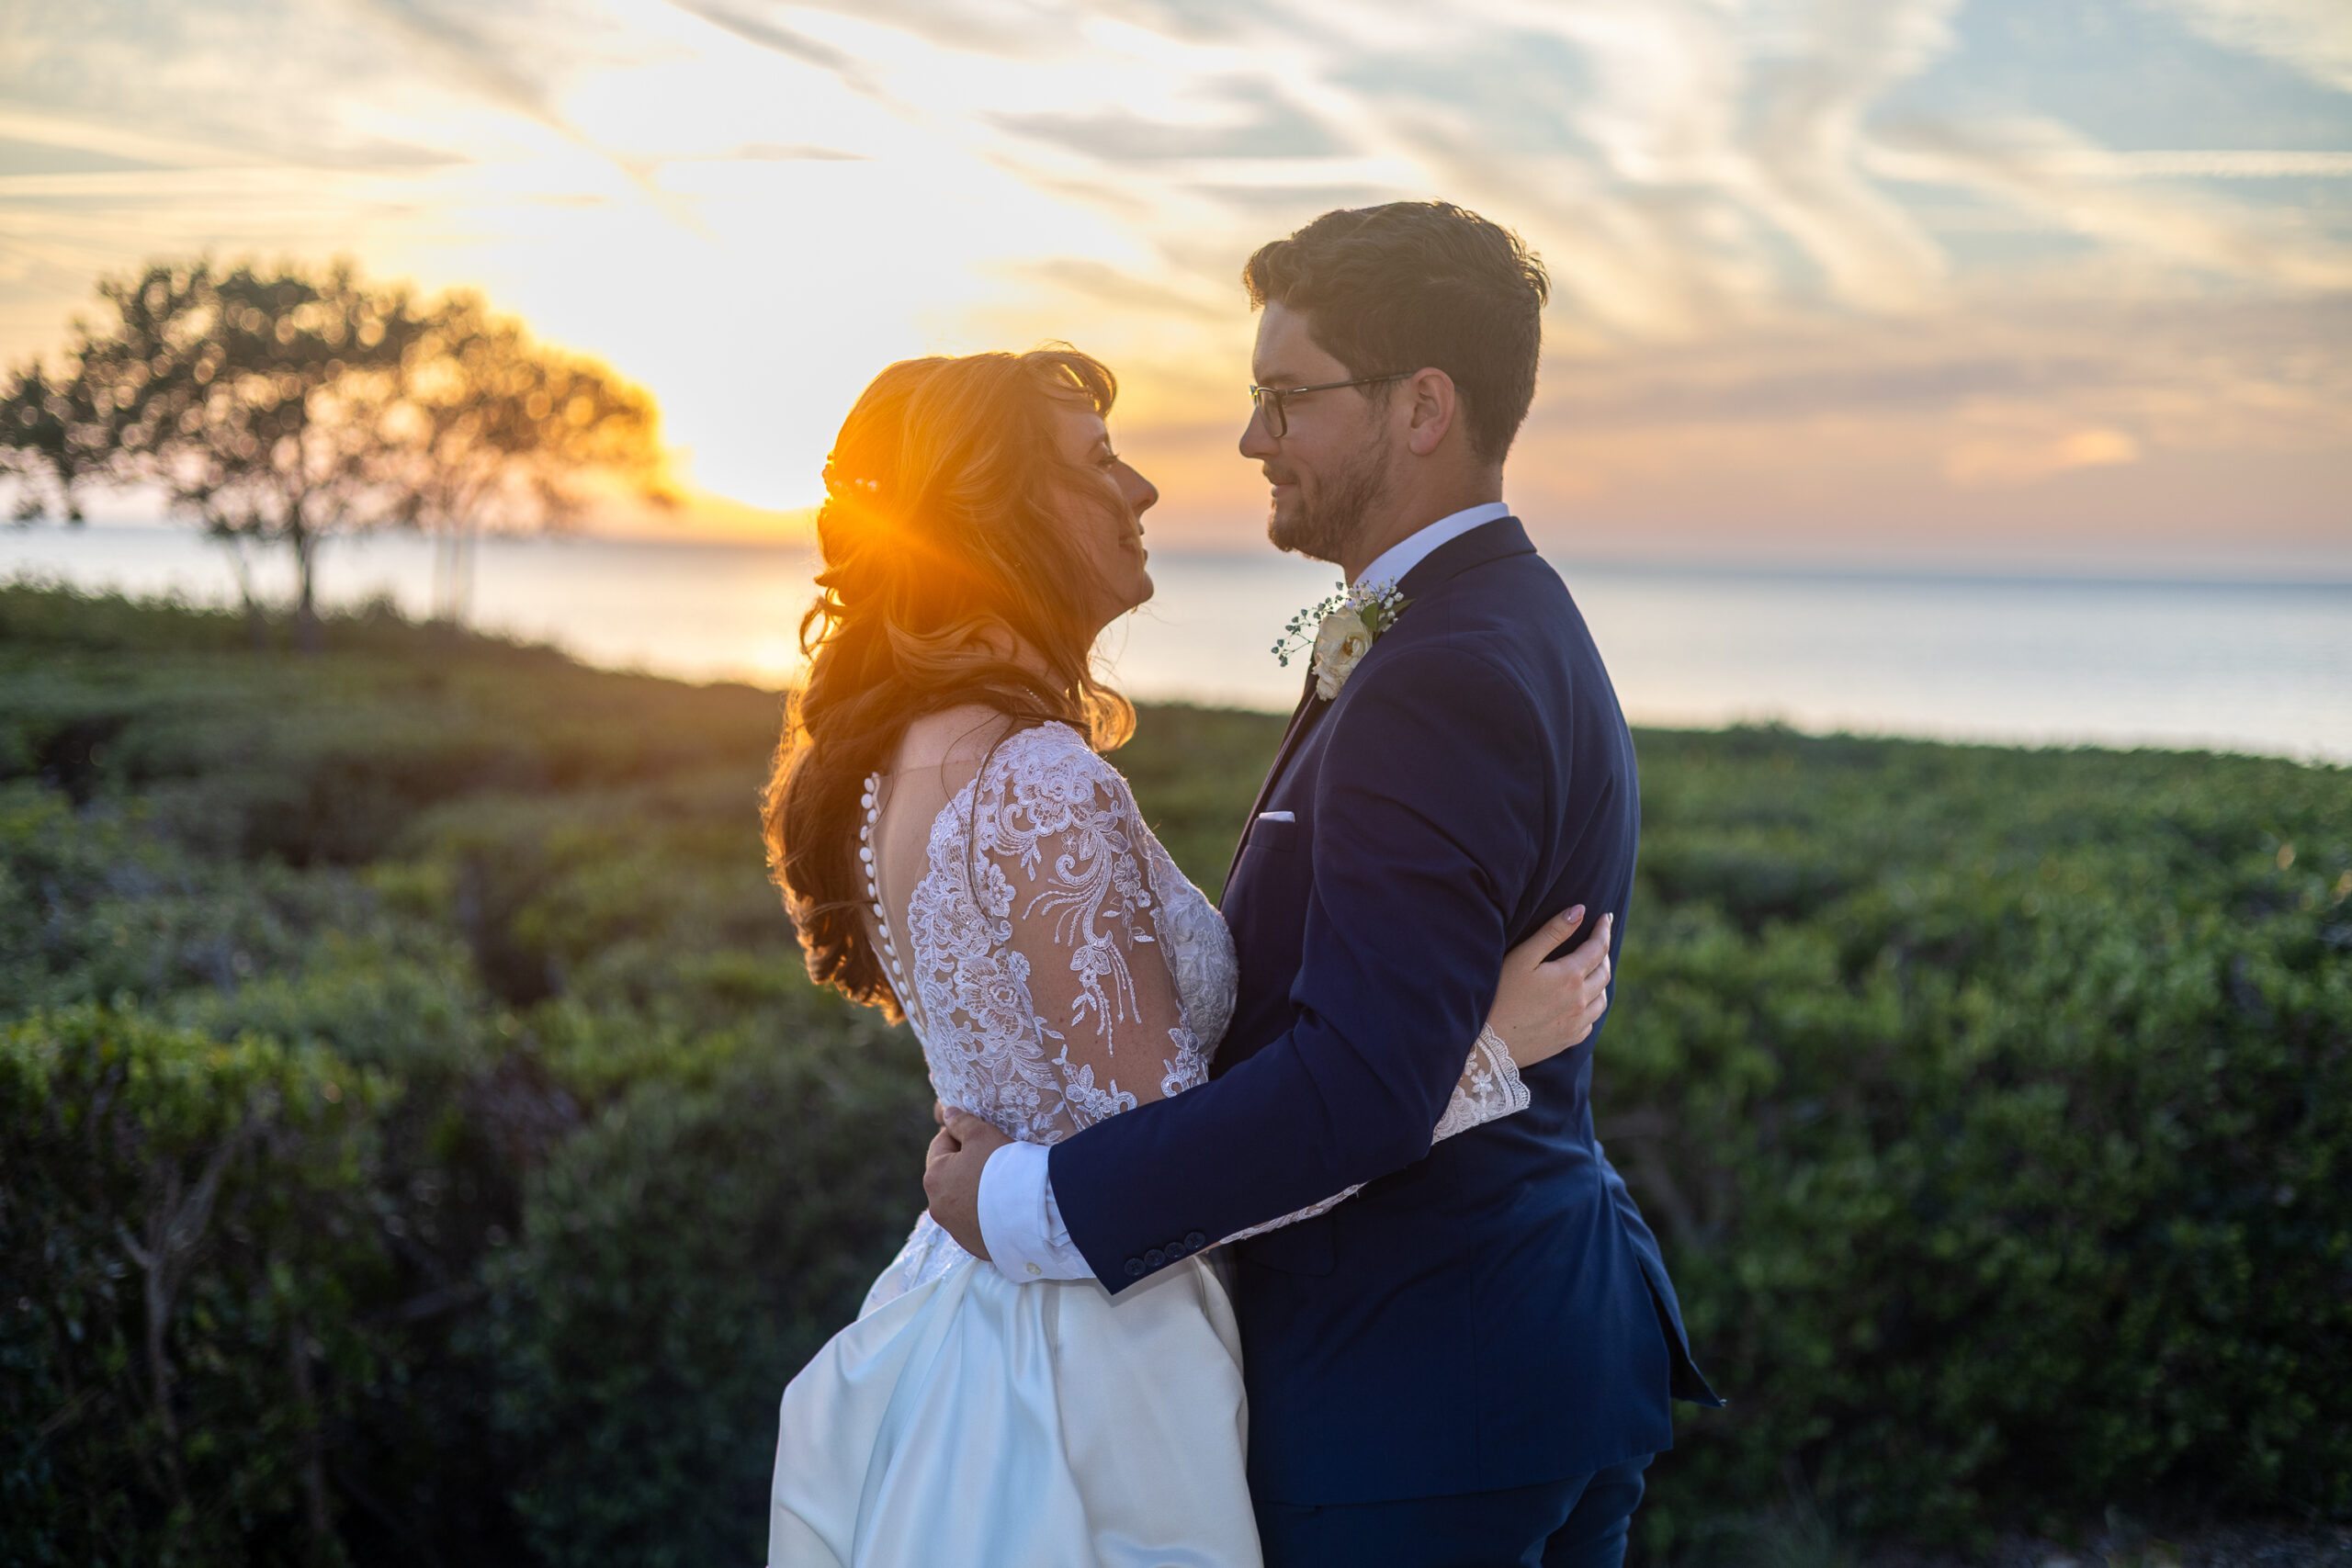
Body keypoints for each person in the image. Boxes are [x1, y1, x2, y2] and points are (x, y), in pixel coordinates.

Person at [922, 202, 1720, 1567]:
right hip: (1514, 1364)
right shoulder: (1491, 621)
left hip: (1416, 1394)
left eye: (1286, 399)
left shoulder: (1439, 677)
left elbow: (1359, 1089)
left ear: (1423, 408)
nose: (1249, 439)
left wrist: (1018, 1205)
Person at [762, 343, 1618, 1567]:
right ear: (994, 514)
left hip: (976, 1315)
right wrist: (1482, 1053)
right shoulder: (1039, 781)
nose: (1145, 491)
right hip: (1100, 1374)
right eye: (1098, 462)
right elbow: (1193, 1177)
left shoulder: (897, 764)